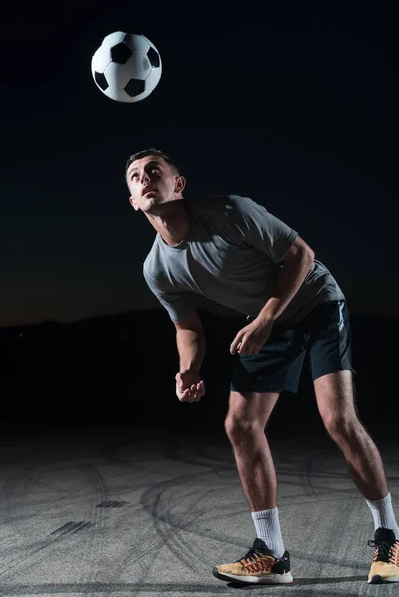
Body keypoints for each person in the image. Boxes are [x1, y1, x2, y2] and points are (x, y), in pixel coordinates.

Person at [126, 147, 399, 585]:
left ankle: (392, 538)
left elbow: (302, 255)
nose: (144, 178)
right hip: (268, 323)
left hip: (316, 302)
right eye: (135, 176)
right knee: (240, 424)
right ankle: (271, 554)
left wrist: (266, 319)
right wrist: (189, 369)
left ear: (178, 184)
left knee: (338, 420)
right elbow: (188, 328)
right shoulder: (156, 269)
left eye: (154, 170)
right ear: (133, 201)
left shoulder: (230, 211)